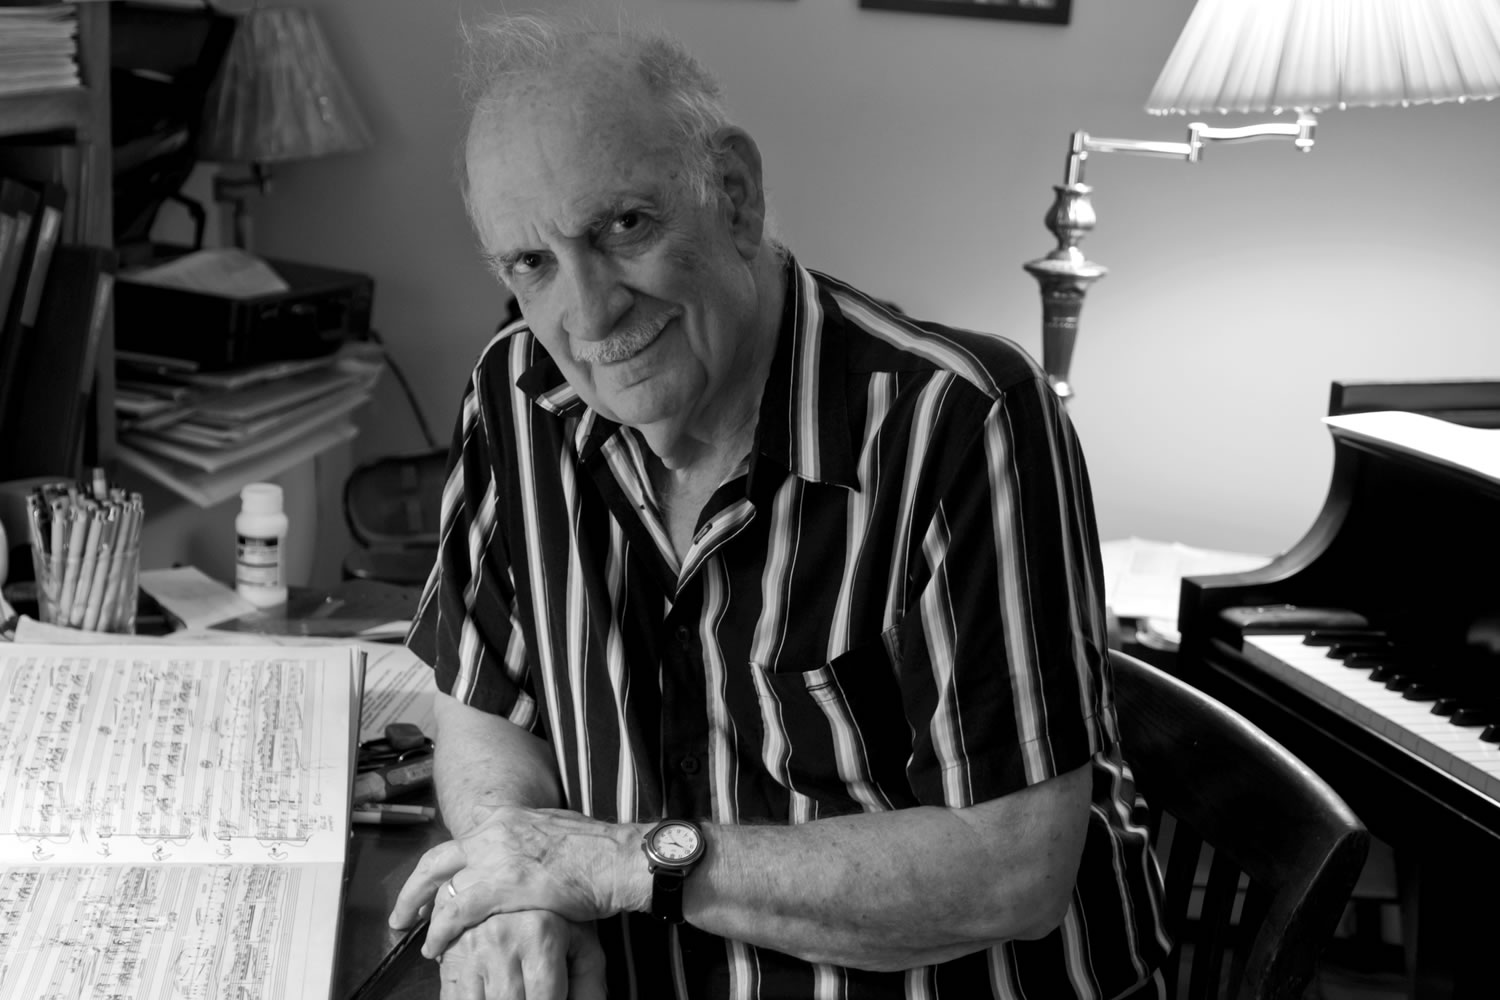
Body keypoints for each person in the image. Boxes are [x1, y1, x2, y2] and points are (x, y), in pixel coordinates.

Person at [390, 10, 1169, 999]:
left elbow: (1013, 870)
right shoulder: (517, 392)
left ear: (736, 197)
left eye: (623, 225)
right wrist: (519, 877)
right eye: (532, 263)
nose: (586, 313)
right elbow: (481, 701)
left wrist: (630, 861)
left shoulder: (960, 423)